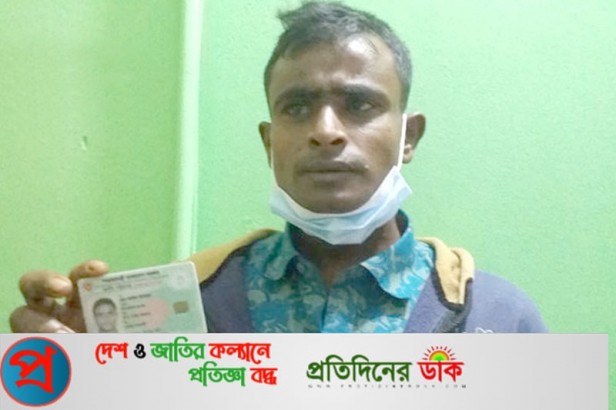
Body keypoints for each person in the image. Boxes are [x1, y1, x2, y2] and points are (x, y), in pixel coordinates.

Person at [9, 1, 546, 334]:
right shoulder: (170, 311)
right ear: (270, 143)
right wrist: (71, 378)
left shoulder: (500, 321)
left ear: (410, 137)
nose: (326, 130)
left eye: (359, 104)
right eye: (297, 106)